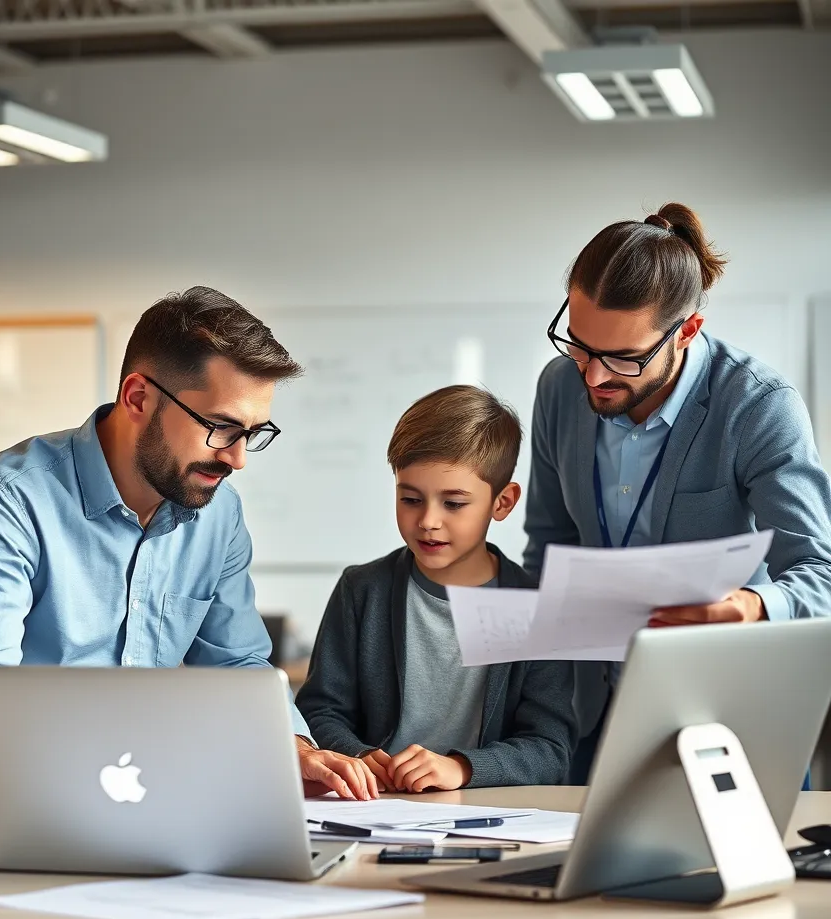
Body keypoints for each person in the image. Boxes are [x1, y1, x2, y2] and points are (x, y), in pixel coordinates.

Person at [0, 286, 379, 875]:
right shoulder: (5, 503)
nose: (238, 458)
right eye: (220, 428)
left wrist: (292, 748)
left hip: (134, 787)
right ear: (138, 396)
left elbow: (238, 667)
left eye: (253, 433)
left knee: (269, 872)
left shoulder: (218, 514)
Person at [523, 203, 831, 782]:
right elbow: (549, 543)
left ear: (687, 331)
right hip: (595, 712)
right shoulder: (560, 388)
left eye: (623, 358)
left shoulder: (758, 405)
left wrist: (752, 606)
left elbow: (821, 572)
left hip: (731, 719)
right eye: (581, 345)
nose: (593, 376)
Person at [296, 385, 577, 792]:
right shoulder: (362, 590)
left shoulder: (535, 607)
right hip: (374, 806)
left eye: (454, 504)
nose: (428, 520)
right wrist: (355, 755)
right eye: (411, 499)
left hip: (486, 811)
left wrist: (462, 768)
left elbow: (550, 747)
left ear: (502, 502)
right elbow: (320, 711)